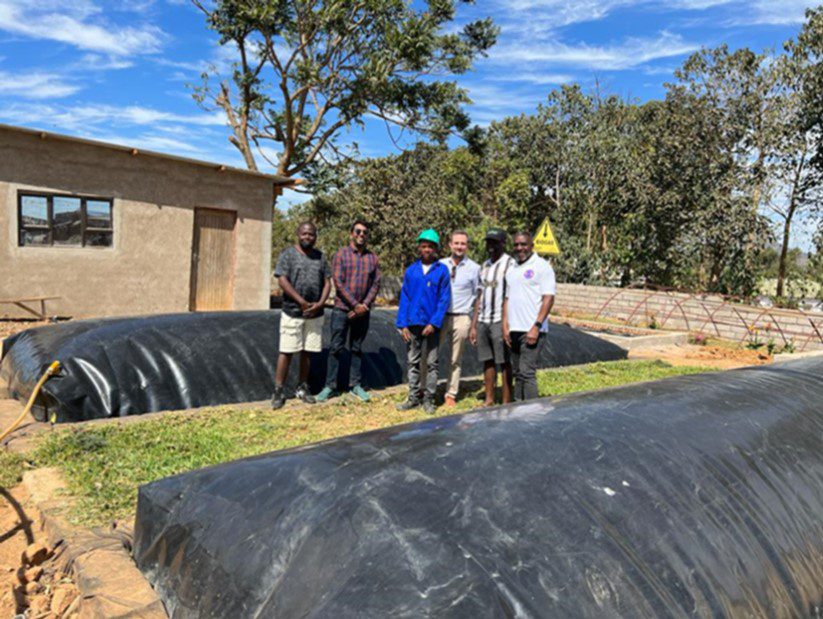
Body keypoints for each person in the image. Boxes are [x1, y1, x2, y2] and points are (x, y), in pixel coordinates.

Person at [317, 219, 382, 402]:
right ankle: (330, 386)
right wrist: (355, 305)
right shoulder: (341, 255)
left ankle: (355, 385)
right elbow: (338, 282)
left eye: (365, 233)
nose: (361, 235)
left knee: (357, 348)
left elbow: (376, 284)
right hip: (341, 310)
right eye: (358, 231)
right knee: (336, 348)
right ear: (351, 233)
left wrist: (364, 306)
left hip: (363, 312)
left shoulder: (372, 258)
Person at [271, 222, 331, 409]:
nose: (308, 237)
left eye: (311, 234)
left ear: (315, 236)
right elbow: (282, 279)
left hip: (315, 314)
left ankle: (302, 387)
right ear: (298, 234)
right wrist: (301, 301)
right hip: (292, 312)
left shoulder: (320, 257)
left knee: (307, 351)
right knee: (287, 351)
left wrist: (320, 303)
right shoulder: (288, 255)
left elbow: (327, 282)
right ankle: (279, 390)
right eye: (304, 234)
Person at [395, 229, 451, 414]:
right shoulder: (412, 271)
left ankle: (429, 399)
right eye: (424, 245)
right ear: (419, 247)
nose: (426, 249)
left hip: (431, 327)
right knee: (413, 361)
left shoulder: (441, 271)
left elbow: (444, 300)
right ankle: (413, 397)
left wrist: (434, 323)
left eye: (430, 246)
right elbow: (405, 298)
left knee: (432, 363)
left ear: (436, 249)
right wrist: (402, 324)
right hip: (412, 324)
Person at [502, 231, 556, 401]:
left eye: (523, 244)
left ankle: (532, 415)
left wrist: (537, 326)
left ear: (531, 246)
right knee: (517, 373)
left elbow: (549, 298)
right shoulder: (512, 268)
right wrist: (505, 326)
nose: (520, 248)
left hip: (532, 330)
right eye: (516, 245)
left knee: (527, 373)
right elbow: (507, 299)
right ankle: (519, 409)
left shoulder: (541, 266)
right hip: (514, 330)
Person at [469, 228, 515, 406]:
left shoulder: (510, 264)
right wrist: (474, 325)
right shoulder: (484, 266)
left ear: (503, 244)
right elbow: (479, 296)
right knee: (487, 361)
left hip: (499, 321)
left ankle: (506, 401)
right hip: (483, 320)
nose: (491, 246)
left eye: (495, 242)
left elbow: (510, 295)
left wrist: (506, 324)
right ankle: (489, 399)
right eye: (489, 242)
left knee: (504, 362)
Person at [439, 230, 480, 406]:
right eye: (456, 243)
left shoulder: (474, 268)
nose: (459, 247)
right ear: (450, 245)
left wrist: (473, 324)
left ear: (467, 246)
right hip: (440, 317)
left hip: (462, 317)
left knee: (456, 358)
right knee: (431, 354)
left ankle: (450, 393)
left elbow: (478, 295)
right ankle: (424, 389)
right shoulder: (440, 265)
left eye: (463, 243)